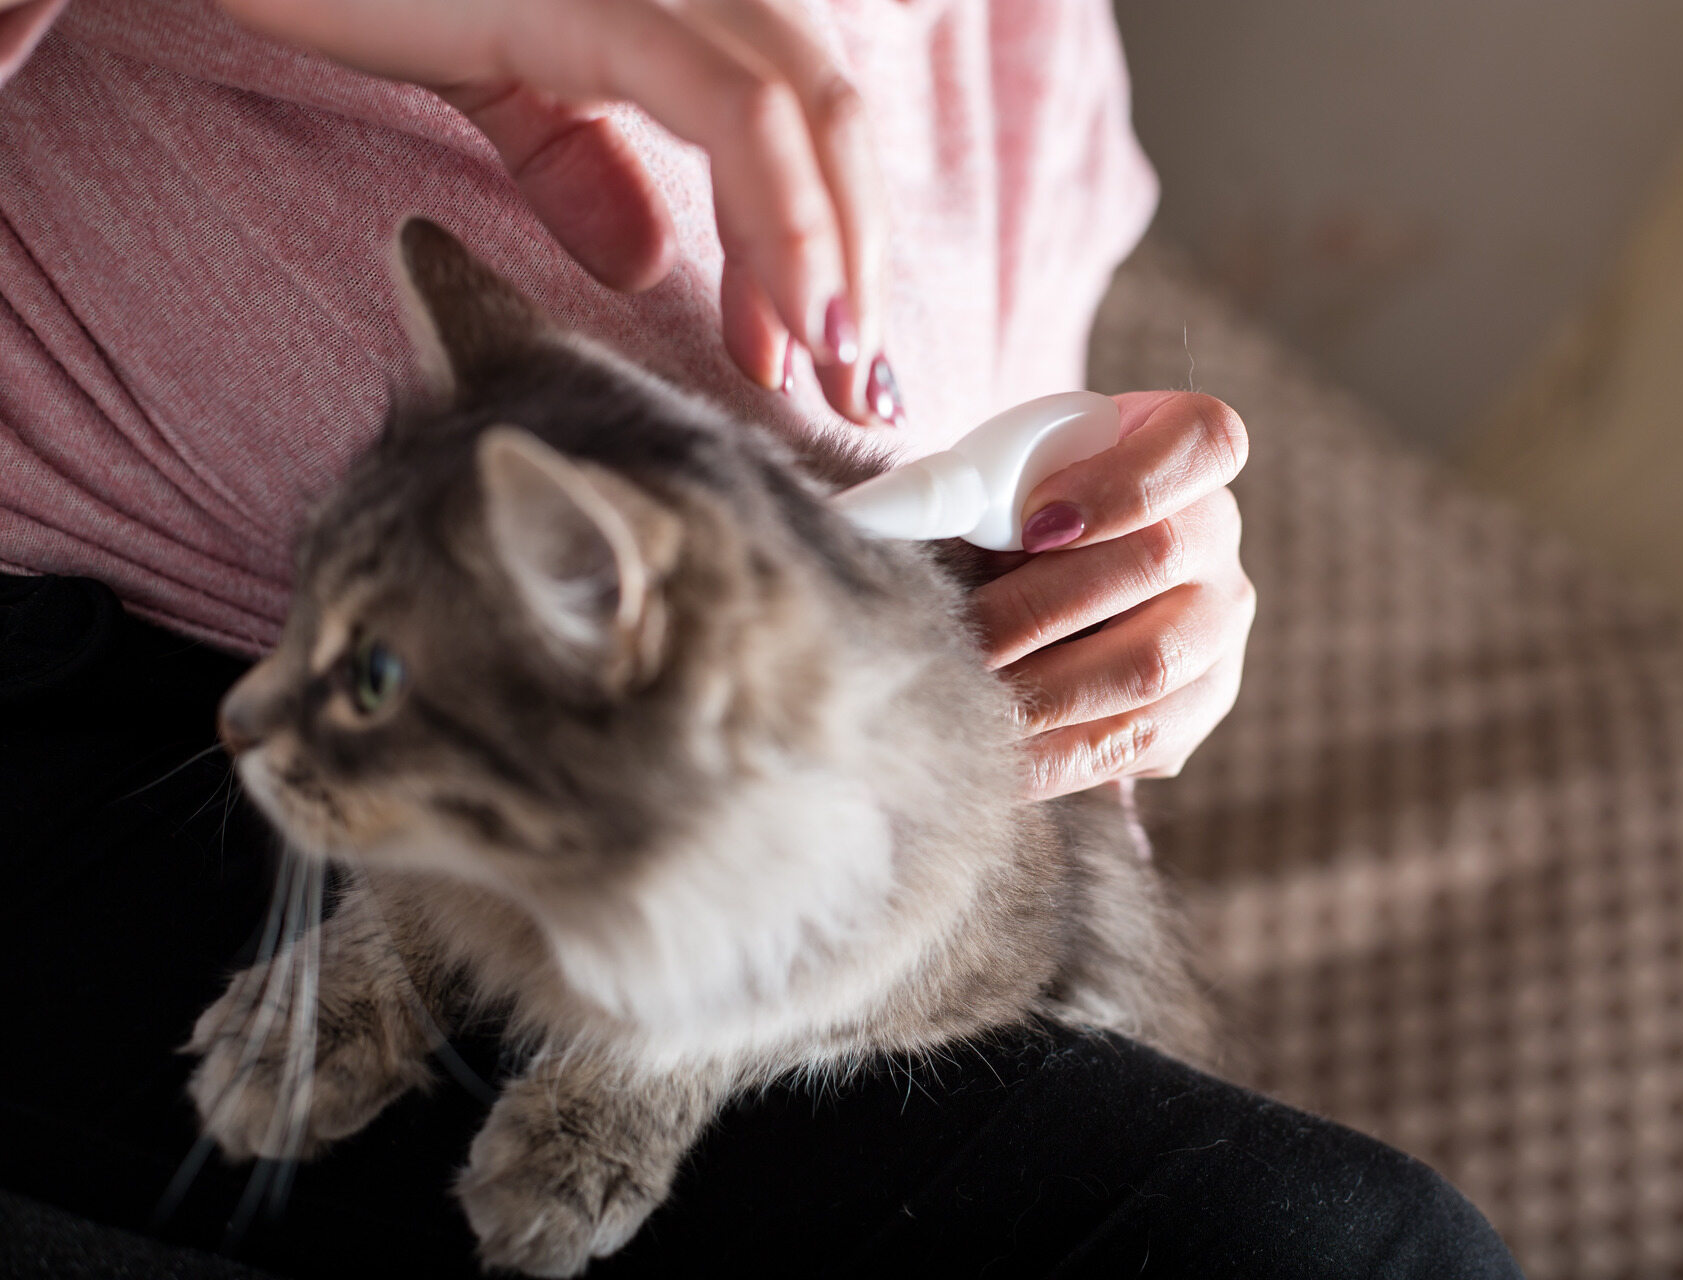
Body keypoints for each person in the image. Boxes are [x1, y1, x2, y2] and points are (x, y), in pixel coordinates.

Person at [0, 0, 1523, 1274]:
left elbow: (996, 525)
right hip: (117, 694)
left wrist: (1120, 595)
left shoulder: (1031, 47)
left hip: (740, 863)